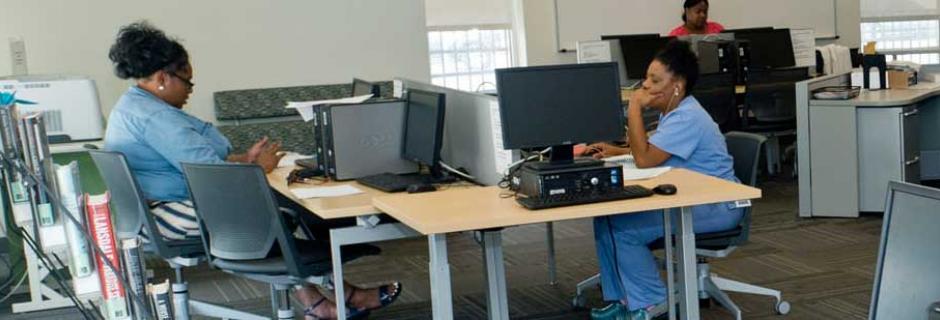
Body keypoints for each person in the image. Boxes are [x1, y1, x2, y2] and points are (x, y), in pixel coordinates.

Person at [104, 21, 399, 319]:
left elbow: (191, 163)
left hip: (154, 214)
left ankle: (323, 304)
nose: (191, 90)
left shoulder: (133, 106)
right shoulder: (155, 117)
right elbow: (214, 180)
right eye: (188, 82)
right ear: (163, 78)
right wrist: (257, 167)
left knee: (278, 210)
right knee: (284, 217)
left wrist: (244, 159)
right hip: (168, 216)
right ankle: (339, 297)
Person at [588, 40, 743, 320]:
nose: (645, 85)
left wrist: (634, 107)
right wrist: (619, 151)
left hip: (716, 206)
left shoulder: (687, 117)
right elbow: (655, 151)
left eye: (654, 80)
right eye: (646, 77)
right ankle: (622, 299)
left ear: (677, 86)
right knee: (606, 220)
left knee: (623, 228)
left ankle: (651, 302)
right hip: (694, 198)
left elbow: (646, 160)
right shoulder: (674, 113)